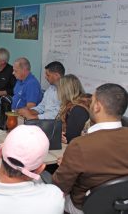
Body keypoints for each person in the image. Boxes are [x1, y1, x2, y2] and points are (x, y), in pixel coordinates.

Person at [52, 83, 128, 214]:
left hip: (84, 207)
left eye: (92, 101)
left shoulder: (80, 145)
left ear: (97, 106)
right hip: (121, 204)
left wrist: (66, 164)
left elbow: (59, 186)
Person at [56, 74, 91, 143]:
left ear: (64, 91)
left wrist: (60, 136)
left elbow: (72, 137)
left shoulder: (78, 109)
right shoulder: (73, 104)